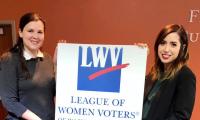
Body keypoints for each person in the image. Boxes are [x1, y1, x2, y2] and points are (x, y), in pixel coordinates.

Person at [0, 12, 55, 120]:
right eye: (30, 31)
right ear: (20, 32)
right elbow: (9, 101)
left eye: (40, 32)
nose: (35, 36)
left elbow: (53, 91)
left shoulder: (47, 59)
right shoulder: (9, 59)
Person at [142, 24, 196, 120]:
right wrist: (139, 59)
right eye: (162, 43)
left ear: (183, 48)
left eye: (173, 44)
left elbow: (181, 116)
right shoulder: (153, 74)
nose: (166, 49)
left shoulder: (186, 76)